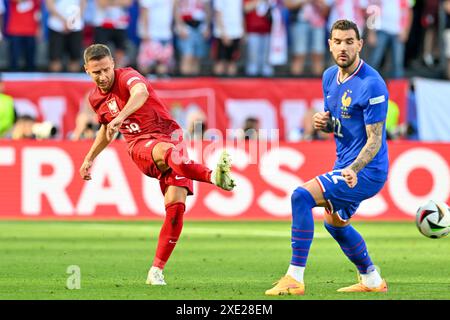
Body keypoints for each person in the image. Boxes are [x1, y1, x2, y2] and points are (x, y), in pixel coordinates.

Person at [80, 44, 236, 286]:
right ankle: (214, 177)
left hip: (171, 135)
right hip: (140, 145)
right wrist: (90, 157)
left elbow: (140, 93)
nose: (103, 76)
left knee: (175, 209)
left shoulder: (128, 76)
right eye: (96, 72)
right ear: (87, 71)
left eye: (106, 69)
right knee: (167, 153)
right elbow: (106, 130)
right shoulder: (95, 98)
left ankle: (156, 271)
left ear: (113, 64)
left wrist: (120, 117)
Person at [266, 19, 389, 295]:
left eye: (349, 41)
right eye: (337, 41)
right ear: (330, 45)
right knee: (335, 224)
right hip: (344, 164)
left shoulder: (372, 84)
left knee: (301, 196)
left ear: (359, 44)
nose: (343, 47)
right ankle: (371, 279)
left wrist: (355, 169)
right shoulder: (328, 77)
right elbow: (341, 124)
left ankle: (294, 277)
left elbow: (375, 140)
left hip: (367, 170)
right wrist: (326, 123)